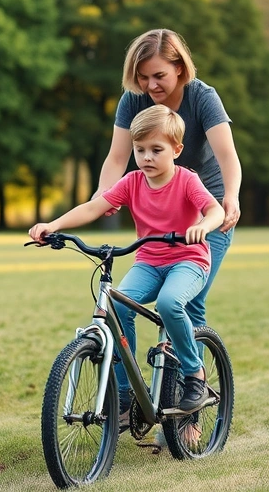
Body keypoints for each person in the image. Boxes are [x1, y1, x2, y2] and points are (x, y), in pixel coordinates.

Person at [29, 105, 224, 415]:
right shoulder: (132, 182)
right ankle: (125, 391)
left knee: (169, 303)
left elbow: (216, 211)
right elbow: (94, 208)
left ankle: (194, 372)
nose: (146, 157)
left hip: (189, 260)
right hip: (149, 261)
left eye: (156, 149)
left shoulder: (187, 180)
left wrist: (202, 226)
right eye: (140, 149)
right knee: (116, 308)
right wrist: (53, 226)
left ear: (176, 150)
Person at [94, 28, 242, 339]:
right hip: (163, 212)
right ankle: (151, 382)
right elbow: (117, 158)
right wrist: (104, 194)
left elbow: (227, 156)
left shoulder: (202, 97)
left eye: (159, 75)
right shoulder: (134, 100)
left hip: (206, 211)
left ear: (179, 66)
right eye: (143, 77)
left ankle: (192, 383)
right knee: (135, 302)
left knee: (187, 302)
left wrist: (232, 197)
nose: (150, 85)